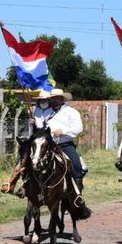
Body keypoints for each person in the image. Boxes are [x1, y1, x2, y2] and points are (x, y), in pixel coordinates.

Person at [45, 88, 92, 219]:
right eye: (51, 99)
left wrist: (63, 130)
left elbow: (78, 128)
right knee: (32, 159)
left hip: (65, 144)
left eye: (56, 99)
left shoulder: (71, 112)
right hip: (49, 145)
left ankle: (76, 196)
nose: (53, 101)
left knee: (76, 165)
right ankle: (25, 187)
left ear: (61, 99)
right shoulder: (48, 113)